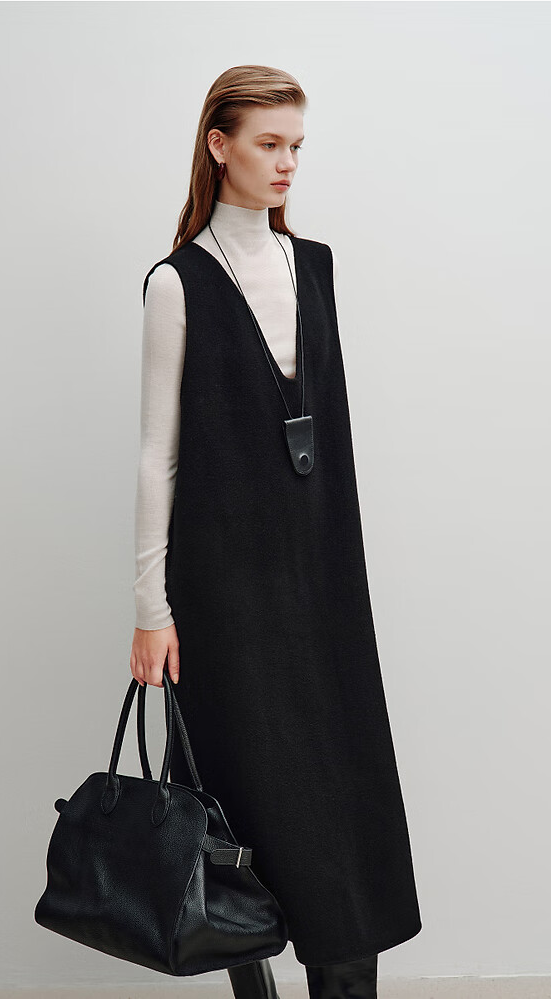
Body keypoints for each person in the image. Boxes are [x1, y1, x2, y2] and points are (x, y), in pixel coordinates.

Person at [130, 65, 422, 999]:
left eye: (296, 145)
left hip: (324, 574)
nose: (288, 161)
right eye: (269, 143)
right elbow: (157, 456)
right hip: (222, 591)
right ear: (219, 146)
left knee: (343, 795)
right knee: (241, 800)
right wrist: (151, 607)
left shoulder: (315, 266)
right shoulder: (177, 283)